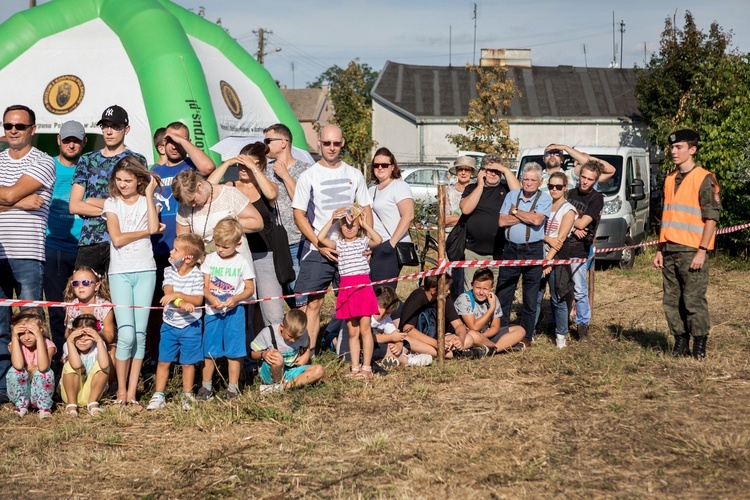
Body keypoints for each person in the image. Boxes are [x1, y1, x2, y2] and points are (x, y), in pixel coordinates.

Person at [292, 124, 373, 352]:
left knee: (351, 303)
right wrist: (318, 243)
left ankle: (348, 354)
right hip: (319, 249)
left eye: (336, 143)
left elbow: (366, 209)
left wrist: (366, 245)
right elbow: (298, 215)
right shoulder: (308, 176)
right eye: (327, 143)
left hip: (350, 249)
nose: (331, 148)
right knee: (314, 304)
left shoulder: (354, 174)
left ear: (342, 143)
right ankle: (307, 354)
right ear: (319, 142)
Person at [0, 104, 56, 401]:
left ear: (32, 130)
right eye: (8, 125)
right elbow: (13, 196)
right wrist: (20, 202)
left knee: (31, 324)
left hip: (27, 251)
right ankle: (5, 390)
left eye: (19, 126)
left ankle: (36, 388)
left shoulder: (43, 161)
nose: (12, 130)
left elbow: (7, 194)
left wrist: (10, 198)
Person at [148, 122, 215, 361]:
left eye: (180, 141)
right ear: (162, 144)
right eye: (170, 141)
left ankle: (190, 356)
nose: (175, 145)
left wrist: (182, 141)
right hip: (158, 247)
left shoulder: (190, 168)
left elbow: (209, 166)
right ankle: (158, 356)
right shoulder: (153, 171)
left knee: (191, 301)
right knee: (159, 301)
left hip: (184, 249)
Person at [653, 129, 721, 360]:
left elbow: (711, 218)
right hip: (670, 249)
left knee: (693, 300)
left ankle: (699, 344)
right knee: (671, 301)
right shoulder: (670, 179)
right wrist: (660, 249)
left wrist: (702, 250)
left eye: (679, 147)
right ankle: (680, 341)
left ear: (692, 149)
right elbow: (667, 216)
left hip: (692, 250)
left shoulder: (704, 178)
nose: (673, 151)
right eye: (672, 147)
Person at [103, 156, 164, 408]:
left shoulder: (150, 201)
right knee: (126, 333)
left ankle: (131, 392)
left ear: (140, 180)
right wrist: (146, 233)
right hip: (119, 272)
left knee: (139, 334)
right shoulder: (112, 202)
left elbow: (153, 223)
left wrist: (149, 194)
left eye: (128, 180)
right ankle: (119, 390)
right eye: (118, 180)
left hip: (145, 270)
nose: (122, 185)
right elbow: (117, 238)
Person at [208, 142, 283, 328]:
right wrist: (227, 164)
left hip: (264, 253)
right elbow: (209, 186)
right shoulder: (231, 187)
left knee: (271, 308)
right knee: (244, 309)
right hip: (236, 254)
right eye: (240, 164)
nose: (243, 168)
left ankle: (278, 350)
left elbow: (272, 194)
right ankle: (250, 353)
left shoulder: (266, 186)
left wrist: (254, 168)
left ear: (261, 166)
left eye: (248, 165)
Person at [71, 105, 146, 275]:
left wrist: (92, 203)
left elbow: (137, 206)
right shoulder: (87, 159)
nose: (109, 131)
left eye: (115, 127)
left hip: (124, 242)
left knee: (118, 299)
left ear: (126, 129)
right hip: (90, 240)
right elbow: (75, 206)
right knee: (84, 296)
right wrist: (116, 208)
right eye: (105, 126)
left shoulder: (136, 160)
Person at [318, 207, 382, 379]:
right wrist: (332, 220)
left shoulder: (363, 242)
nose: (349, 227)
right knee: (352, 332)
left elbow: (378, 240)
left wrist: (364, 224)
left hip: (363, 289)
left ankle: (366, 367)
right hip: (347, 290)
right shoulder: (338, 244)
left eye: (352, 225)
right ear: (340, 227)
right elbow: (320, 238)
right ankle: (355, 367)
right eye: (345, 225)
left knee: (365, 329)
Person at [198, 217, 256, 401]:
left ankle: (232, 389)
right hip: (212, 313)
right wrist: (211, 297)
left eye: (225, 246)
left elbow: (250, 288)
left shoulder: (242, 262)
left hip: (235, 312)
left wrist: (236, 299)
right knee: (210, 350)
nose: (220, 250)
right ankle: (206, 387)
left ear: (238, 244)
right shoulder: (210, 259)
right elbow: (205, 286)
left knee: (234, 351)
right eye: (217, 245)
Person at [147, 233, 206, 411]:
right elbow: (168, 292)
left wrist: (180, 296)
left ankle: (187, 395)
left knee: (188, 363)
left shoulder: (197, 275)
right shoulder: (169, 271)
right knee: (164, 361)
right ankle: (159, 394)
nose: (171, 252)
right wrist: (180, 301)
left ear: (188, 258)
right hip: (170, 326)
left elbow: (198, 300)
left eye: (176, 250)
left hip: (191, 327)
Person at [497, 162, 552, 345]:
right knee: (504, 292)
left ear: (540, 182)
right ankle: (501, 332)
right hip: (511, 248)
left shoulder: (544, 199)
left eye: (533, 180)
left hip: (532, 249)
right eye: (526, 179)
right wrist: (525, 216)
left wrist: (515, 211)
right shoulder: (512, 195)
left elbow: (537, 220)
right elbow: (501, 222)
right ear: (521, 180)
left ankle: (527, 336)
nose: (528, 183)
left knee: (530, 295)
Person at [45, 120, 87, 360]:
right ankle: (61, 360)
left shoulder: (89, 167)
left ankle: (85, 359)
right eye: (67, 139)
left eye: (76, 140)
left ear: (84, 142)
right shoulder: (47, 165)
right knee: (57, 309)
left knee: (84, 308)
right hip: (53, 245)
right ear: (59, 140)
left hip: (83, 245)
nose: (72, 144)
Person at [264, 123, 311, 304]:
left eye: (268, 140)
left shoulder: (305, 169)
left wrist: (285, 175)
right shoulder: (265, 170)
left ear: (283, 142)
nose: (265, 144)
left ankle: (305, 332)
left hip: (298, 239)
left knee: (300, 297)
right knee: (286, 297)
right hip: (273, 242)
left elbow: (303, 202)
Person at [173, 169, 263, 262]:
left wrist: (228, 224)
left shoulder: (230, 194)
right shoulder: (185, 207)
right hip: (206, 264)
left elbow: (258, 223)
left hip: (235, 263)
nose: (191, 205)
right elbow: (183, 241)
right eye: (187, 203)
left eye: (193, 200)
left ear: (199, 186)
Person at [459, 153, 520, 289]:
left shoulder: (506, 188)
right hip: (474, 252)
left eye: (496, 171)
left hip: (499, 252)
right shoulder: (471, 188)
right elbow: (466, 209)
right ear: (482, 171)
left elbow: (518, 193)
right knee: (471, 290)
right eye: (489, 170)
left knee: (495, 292)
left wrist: (504, 169)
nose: (493, 174)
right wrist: (480, 185)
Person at [536, 171, 577, 348]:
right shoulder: (544, 205)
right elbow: (537, 230)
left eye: (558, 187)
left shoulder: (568, 210)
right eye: (551, 186)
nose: (554, 189)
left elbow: (560, 240)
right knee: (535, 295)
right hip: (539, 254)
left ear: (565, 188)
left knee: (557, 297)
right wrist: (546, 238)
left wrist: (548, 260)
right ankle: (531, 331)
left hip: (556, 257)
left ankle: (561, 334)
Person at [566, 160, 605, 342]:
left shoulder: (596, 198)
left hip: (579, 250)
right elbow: (556, 217)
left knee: (579, 289)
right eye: (583, 177)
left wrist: (570, 222)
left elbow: (583, 223)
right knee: (561, 287)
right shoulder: (568, 193)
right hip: (562, 246)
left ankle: (583, 326)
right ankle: (560, 321)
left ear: (595, 180)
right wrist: (573, 228)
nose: (585, 182)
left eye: (590, 179)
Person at [399, 274, 480, 359]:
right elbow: (408, 330)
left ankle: (446, 352)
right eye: (447, 289)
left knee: (469, 339)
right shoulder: (416, 298)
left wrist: (461, 339)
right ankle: (450, 354)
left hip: (438, 339)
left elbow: (458, 325)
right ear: (434, 291)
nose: (449, 292)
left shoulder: (445, 298)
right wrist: (437, 343)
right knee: (407, 341)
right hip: (419, 340)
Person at [368, 147, 415, 285]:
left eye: (385, 165)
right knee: (373, 293)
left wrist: (391, 244)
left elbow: (408, 215)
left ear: (392, 167)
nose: (380, 168)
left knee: (384, 295)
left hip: (390, 246)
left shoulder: (399, 186)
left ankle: (399, 308)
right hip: (374, 246)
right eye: (376, 165)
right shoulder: (371, 190)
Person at [250, 309, 325, 395]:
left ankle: (283, 387)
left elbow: (306, 343)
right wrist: (263, 354)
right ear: (282, 327)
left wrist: (307, 353)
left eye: (297, 337)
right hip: (270, 371)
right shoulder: (268, 333)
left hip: (291, 370)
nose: (293, 340)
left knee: (319, 370)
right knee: (277, 357)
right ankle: (278, 384)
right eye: (290, 336)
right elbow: (251, 353)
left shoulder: (302, 334)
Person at [454, 268, 526, 352]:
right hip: (469, 335)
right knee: (473, 335)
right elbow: (474, 327)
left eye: (485, 289)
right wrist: (491, 309)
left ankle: (493, 349)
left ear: (491, 288)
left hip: (485, 334)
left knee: (520, 330)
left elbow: (495, 327)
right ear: (472, 285)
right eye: (478, 288)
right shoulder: (464, 298)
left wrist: (484, 335)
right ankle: (499, 347)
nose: (481, 292)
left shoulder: (493, 298)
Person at [63, 267, 116, 372]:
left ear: (96, 286)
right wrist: (73, 332)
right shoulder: (72, 306)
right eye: (76, 283)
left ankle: (106, 384)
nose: (80, 286)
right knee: (66, 348)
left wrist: (95, 333)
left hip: (99, 342)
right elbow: (67, 334)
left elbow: (110, 337)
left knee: (111, 351)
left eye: (86, 283)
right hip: (79, 342)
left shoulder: (105, 306)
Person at [6, 310, 56, 418]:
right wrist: (14, 337)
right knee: (15, 372)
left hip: (38, 395)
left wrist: (39, 338)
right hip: (23, 393)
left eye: (31, 333)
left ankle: (44, 408)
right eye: (22, 333)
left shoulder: (48, 345)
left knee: (45, 373)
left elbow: (43, 367)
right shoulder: (15, 344)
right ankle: (21, 406)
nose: (26, 337)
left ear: (41, 331)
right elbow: (18, 365)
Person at [61, 314, 110, 417]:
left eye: (88, 335)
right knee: (70, 365)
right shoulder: (68, 345)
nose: (83, 339)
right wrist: (70, 341)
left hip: (92, 393)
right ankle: (71, 404)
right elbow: (76, 364)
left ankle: (92, 403)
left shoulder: (99, 345)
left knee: (103, 366)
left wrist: (99, 340)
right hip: (71, 392)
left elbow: (105, 365)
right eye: (78, 335)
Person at [372, 286, 432, 368]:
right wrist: (391, 337)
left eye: (389, 314)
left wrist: (398, 345)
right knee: (380, 348)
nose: (386, 316)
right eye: (386, 312)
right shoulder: (368, 318)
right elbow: (370, 337)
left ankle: (391, 358)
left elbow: (396, 334)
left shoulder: (386, 319)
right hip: (372, 347)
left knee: (405, 342)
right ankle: (409, 361)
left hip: (386, 346)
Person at [445, 155, 477, 297]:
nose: (463, 172)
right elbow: (444, 219)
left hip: (472, 238)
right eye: (460, 169)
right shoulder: (448, 191)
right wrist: (466, 217)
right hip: (452, 238)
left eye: (467, 170)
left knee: (468, 276)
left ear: (471, 172)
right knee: (451, 277)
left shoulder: (477, 190)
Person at [541, 144, 616, 191]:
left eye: (556, 153)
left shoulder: (570, 174)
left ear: (562, 159)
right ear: (543, 159)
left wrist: (565, 148)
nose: (552, 155)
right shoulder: (537, 178)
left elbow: (609, 170)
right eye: (548, 153)